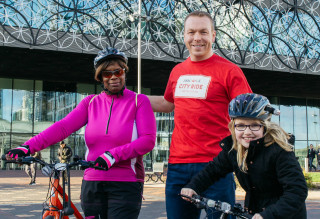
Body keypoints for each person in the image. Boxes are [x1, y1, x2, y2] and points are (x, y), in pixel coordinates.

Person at [6, 47, 156, 219]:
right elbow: (62, 127)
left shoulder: (139, 101)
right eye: (107, 73)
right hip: (92, 183)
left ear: (124, 73)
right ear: (100, 77)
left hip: (125, 184)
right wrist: (27, 147)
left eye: (118, 71)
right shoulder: (90, 103)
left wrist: (112, 155)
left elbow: (147, 141)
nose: (114, 76)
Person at [148, 11, 252, 218]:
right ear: (184, 36)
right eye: (191, 32)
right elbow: (167, 103)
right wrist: (129, 99)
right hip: (178, 166)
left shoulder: (230, 71)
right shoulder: (177, 71)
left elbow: (248, 112)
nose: (197, 38)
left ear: (213, 35)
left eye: (203, 32)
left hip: (216, 165)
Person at [181, 93, 308, 219]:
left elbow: (297, 191)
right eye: (241, 125)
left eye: (254, 125)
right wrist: (193, 187)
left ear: (265, 127)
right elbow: (213, 170)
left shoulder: (279, 151)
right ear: (233, 127)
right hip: (254, 213)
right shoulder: (234, 150)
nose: (247, 132)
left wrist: (267, 215)